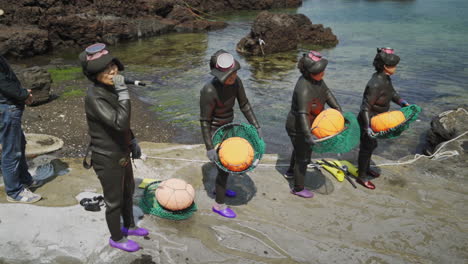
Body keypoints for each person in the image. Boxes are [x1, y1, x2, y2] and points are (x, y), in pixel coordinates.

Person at [79, 43, 147, 252]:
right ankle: (117, 237)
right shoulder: (94, 96)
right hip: (106, 157)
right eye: (106, 69)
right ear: (94, 75)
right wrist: (124, 93)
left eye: (113, 66)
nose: (113, 71)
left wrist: (133, 141)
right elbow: (119, 123)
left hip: (122, 152)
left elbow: (123, 128)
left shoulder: (110, 89)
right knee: (114, 200)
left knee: (128, 191)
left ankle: (129, 225)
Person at [200, 50, 262, 218]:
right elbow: (204, 121)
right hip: (214, 131)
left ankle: (219, 189)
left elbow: (245, 104)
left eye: (234, 73)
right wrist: (209, 147)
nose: (233, 77)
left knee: (225, 167)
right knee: (224, 167)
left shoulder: (236, 82)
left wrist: (255, 125)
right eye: (229, 76)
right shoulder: (208, 90)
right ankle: (218, 205)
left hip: (229, 127)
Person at [285, 51, 342, 198]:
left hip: (310, 124)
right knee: (303, 157)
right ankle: (297, 188)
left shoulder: (318, 81)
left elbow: (327, 94)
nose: (323, 72)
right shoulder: (303, 88)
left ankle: (291, 172)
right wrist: (307, 134)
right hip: (298, 126)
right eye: (319, 71)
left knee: (300, 150)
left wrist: (338, 111)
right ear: (310, 72)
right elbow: (302, 113)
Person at [356, 47, 410, 190]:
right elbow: (365, 107)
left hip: (379, 119)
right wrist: (367, 127)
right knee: (366, 148)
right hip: (369, 120)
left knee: (372, 145)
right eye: (394, 66)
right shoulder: (374, 84)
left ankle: (366, 169)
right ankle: (361, 176)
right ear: (385, 66)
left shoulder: (386, 79)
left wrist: (403, 102)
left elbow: (392, 93)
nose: (396, 68)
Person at [0, 55, 43, 203]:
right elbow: (3, 83)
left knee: (19, 145)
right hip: (6, 108)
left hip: (8, 106)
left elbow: (7, 79)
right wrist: (24, 94)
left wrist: (22, 92)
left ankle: (24, 179)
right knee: (12, 151)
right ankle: (14, 191)